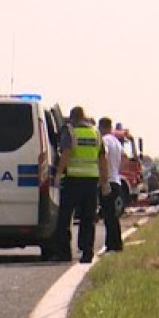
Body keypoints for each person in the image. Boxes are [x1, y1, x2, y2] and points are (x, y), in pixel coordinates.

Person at [52, 106, 108, 263]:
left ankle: (64, 252)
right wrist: (104, 181)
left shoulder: (70, 131)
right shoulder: (96, 133)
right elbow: (103, 159)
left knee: (64, 217)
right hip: (91, 180)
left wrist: (58, 173)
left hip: (72, 179)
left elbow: (66, 153)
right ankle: (87, 252)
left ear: (72, 118)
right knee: (88, 218)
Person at [98, 117, 123, 252]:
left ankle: (112, 245)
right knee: (113, 215)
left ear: (101, 127)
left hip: (108, 181)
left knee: (108, 216)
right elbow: (122, 161)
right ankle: (115, 243)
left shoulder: (105, 140)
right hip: (117, 180)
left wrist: (103, 181)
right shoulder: (117, 142)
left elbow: (103, 158)